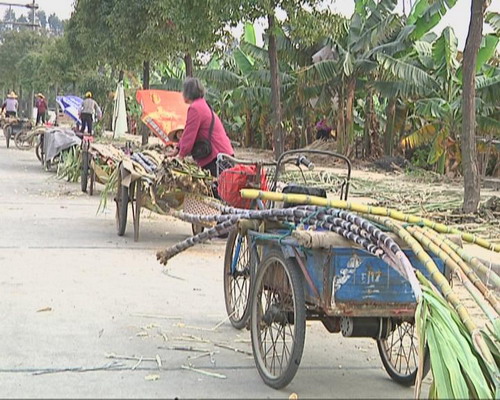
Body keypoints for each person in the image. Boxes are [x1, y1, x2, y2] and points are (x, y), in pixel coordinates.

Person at [170, 78, 234, 177]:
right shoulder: (202, 104)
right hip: (224, 155)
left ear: (188, 92)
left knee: (216, 190)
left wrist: (181, 156)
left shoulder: (195, 108)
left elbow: (189, 134)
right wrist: (178, 148)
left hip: (217, 158)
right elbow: (188, 131)